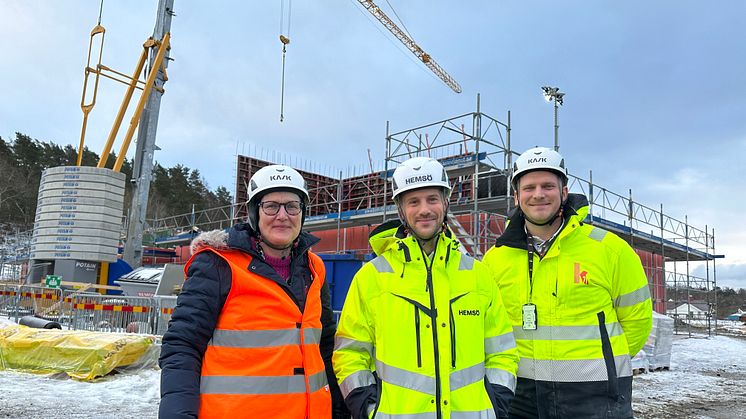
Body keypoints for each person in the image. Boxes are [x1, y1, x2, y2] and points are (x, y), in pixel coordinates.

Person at [333, 156, 519, 419]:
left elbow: (502, 351)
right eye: (413, 201)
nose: (424, 210)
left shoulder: (478, 275)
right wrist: (369, 409)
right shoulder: (372, 277)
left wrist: (494, 404)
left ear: (445, 202)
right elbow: (349, 353)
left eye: (432, 199)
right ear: (401, 209)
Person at [159, 164, 348, 418]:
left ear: (302, 213)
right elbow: (183, 345)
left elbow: (324, 347)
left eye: (292, 206)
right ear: (253, 212)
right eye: (271, 206)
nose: (282, 215)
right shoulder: (217, 266)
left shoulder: (315, 269)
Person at [482, 147, 653, 418]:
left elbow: (637, 322)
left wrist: (601, 367)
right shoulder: (496, 259)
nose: (538, 194)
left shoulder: (610, 250)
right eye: (529, 188)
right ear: (517, 196)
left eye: (548, 185)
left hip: (595, 395)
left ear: (563, 192)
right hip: (521, 396)